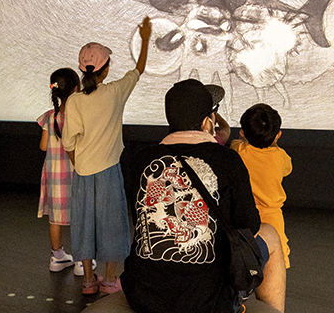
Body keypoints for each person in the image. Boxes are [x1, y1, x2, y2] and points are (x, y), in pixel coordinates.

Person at [121, 79, 286, 313]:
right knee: (270, 234)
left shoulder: (139, 160)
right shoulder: (228, 159)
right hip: (209, 300)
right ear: (208, 122)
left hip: (144, 294)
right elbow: (250, 225)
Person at [61, 17, 151, 295]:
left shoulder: (74, 100)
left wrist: (78, 164)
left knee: (85, 225)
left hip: (84, 173)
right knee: (112, 225)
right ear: (106, 69)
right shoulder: (114, 93)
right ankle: (110, 280)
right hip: (109, 170)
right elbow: (139, 69)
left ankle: (88, 280)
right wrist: (145, 39)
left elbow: (69, 142)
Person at [37, 67, 91, 275]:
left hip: (53, 175)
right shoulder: (80, 116)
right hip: (77, 173)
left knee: (55, 218)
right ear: (76, 88)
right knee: (80, 216)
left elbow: (43, 146)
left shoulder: (49, 116)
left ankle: (57, 256)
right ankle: (81, 261)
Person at [230, 104, 292, 268]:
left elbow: (234, 143)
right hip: (273, 217)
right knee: (277, 257)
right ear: (278, 135)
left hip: (244, 215)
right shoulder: (281, 157)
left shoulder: (239, 149)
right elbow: (288, 169)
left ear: (242, 133)